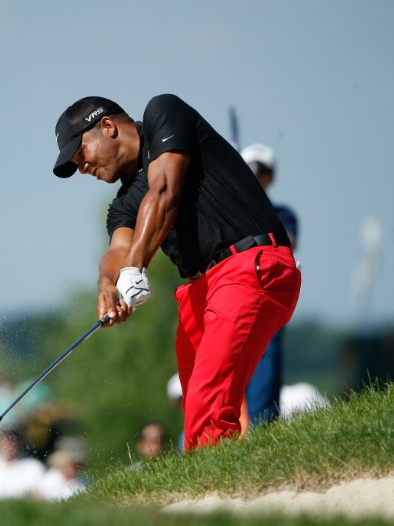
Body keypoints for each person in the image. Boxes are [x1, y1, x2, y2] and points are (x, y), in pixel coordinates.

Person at [51, 95, 301, 451]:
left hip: (250, 265)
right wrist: (108, 284)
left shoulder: (163, 114)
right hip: (203, 288)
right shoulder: (122, 204)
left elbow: (164, 191)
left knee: (208, 403)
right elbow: (118, 251)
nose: (83, 167)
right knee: (195, 399)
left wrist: (136, 266)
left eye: (82, 154)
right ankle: (214, 475)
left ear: (107, 126)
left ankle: (213, 498)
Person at [240, 143, 300, 427]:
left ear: (270, 176)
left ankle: (262, 430)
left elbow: (285, 243)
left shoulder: (283, 214)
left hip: (268, 303)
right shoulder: (231, 210)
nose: (254, 176)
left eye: (259, 171)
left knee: (265, 376)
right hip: (236, 298)